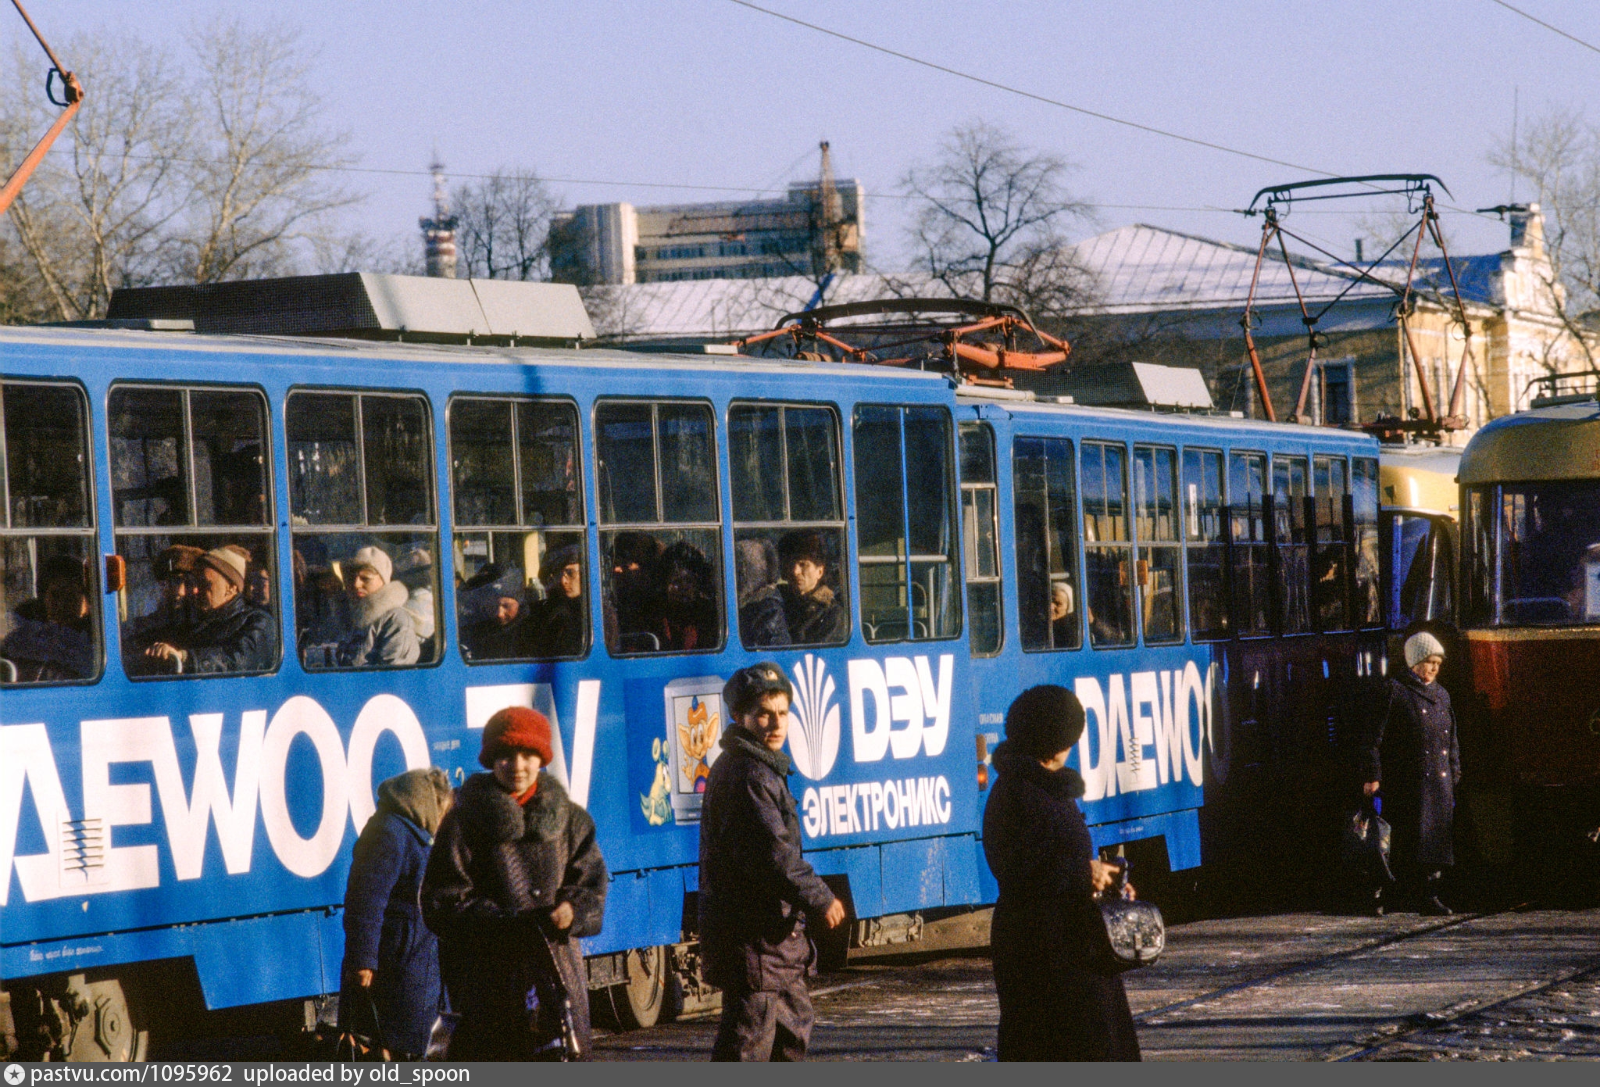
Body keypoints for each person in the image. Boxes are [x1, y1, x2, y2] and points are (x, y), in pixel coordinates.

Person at [422, 707, 608, 1060]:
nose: (517, 765)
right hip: (489, 984)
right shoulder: (464, 822)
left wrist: (573, 910)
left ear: (542, 758)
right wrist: (503, 922)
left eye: (527, 754)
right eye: (505, 755)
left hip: (556, 981)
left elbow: (592, 886)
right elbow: (441, 901)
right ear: (492, 761)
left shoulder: (571, 821)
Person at [698, 663, 847, 1061]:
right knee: (749, 1048)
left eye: (782, 713)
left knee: (791, 1036)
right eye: (764, 713)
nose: (776, 723)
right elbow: (773, 855)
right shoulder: (749, 773)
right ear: (739, 716)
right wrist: (820, 897)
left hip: (773, 944)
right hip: (756, 941)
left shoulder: (759, 767)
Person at [983, 685, 1141, 1062]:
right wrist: (1081, 874)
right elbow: (1015, 868)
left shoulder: (1045, 789)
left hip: (1069, 947)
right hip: (1044, 955)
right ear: (1054, 742)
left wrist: (1108, 878)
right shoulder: (1019, 793)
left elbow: (1060, 858)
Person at [340, 767, 453, 1058]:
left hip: (412, 960)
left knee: (411, 1042)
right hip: (392, 963)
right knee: (387, 1042)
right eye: (443, 812)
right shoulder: (388, 833)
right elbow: (365, 899)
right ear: (428, 803)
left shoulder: (412, 835)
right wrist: (362, 958)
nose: (443, 822)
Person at [1359, 631, 1460, 916]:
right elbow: (1373, 739)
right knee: (1402, 839)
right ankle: (1388, 894)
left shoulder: (1442, 695)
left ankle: (1429, 894)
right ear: (1414, 662)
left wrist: (1454, 773)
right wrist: (1372, 775)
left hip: (1438, 783)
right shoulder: (1394, 690)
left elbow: (1451, 740)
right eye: (1428, 663)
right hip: (1406, 780)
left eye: (1437, 664)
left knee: (1434, 844)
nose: (1433, 669)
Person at [142, 547, 276, 675]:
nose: (195, 590)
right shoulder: (198, 622)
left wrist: (184, 658)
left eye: (205, 584)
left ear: (231, 588)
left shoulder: (258, 622)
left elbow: (235, 660)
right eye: (196, 583)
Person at [1, 556, 95, 682]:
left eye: (71, 596)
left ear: (86, 601)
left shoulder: (95, 640)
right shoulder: (24, 638)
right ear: (44, 598)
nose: (62, 604)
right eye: (55, 595)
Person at [334, 546, 420, 668]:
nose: (356, 584)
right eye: (350, 578)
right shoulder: (348, 615)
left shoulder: (396, 620)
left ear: (383, 580)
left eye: (365, 579)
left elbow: (393, 676)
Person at [123, 544, 204, 661]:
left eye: (189, 583)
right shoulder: (166, 617)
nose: (180, 591)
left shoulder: (206, 623)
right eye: (174, 582)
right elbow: (138, 629)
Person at [777, 532, 847, 645]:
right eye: (791, 564)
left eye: (803, 564)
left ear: (819, 571)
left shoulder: (831, 613)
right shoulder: (778, 601)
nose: (795, 572)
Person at [458, 564, 534, 661]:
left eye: (506, 606)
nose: (499, 613)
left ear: (519, 603)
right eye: (493, 606)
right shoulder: (479, 629)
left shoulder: (529, 632)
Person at [656, 541, 719, 652]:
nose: (683, 588)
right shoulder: (656, 615)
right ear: (664, 584)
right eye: (676, 582)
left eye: (689, 581)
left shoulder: (709, 614)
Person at [735, 537, 790, 649]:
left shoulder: (769, 610)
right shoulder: (747, 603)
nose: (738, 573)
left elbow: (773, 656)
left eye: (744, 566)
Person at [536, 544, 586, 657]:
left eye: (570, 573)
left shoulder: (598, 613)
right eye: (558, 574)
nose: (564, 581)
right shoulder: (545, 611)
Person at [1049, 582, 1076, 648]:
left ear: (1067, 608)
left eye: (1058, 604)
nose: (1051, 607)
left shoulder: (1069, 634)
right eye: (1049, 601)